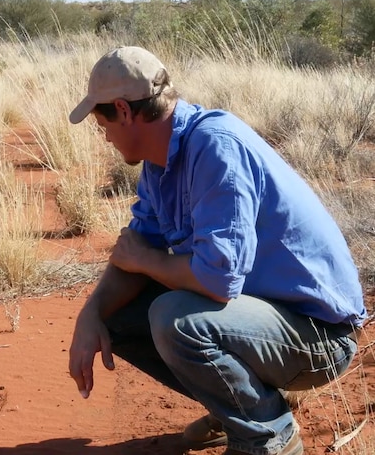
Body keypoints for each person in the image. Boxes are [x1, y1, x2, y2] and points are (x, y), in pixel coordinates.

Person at [66, 46, 367, 455]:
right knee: (115, 315)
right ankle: (241, 408)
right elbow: (132, 257)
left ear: (124, 109)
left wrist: (146, 260)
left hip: (319, 336)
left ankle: (267, 435)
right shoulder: (158, 166)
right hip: (265, 318)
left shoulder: (214, 147)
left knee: (175, 318)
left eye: (101, 120)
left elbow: (216, 280)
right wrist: (91, 313)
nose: (102, 132)